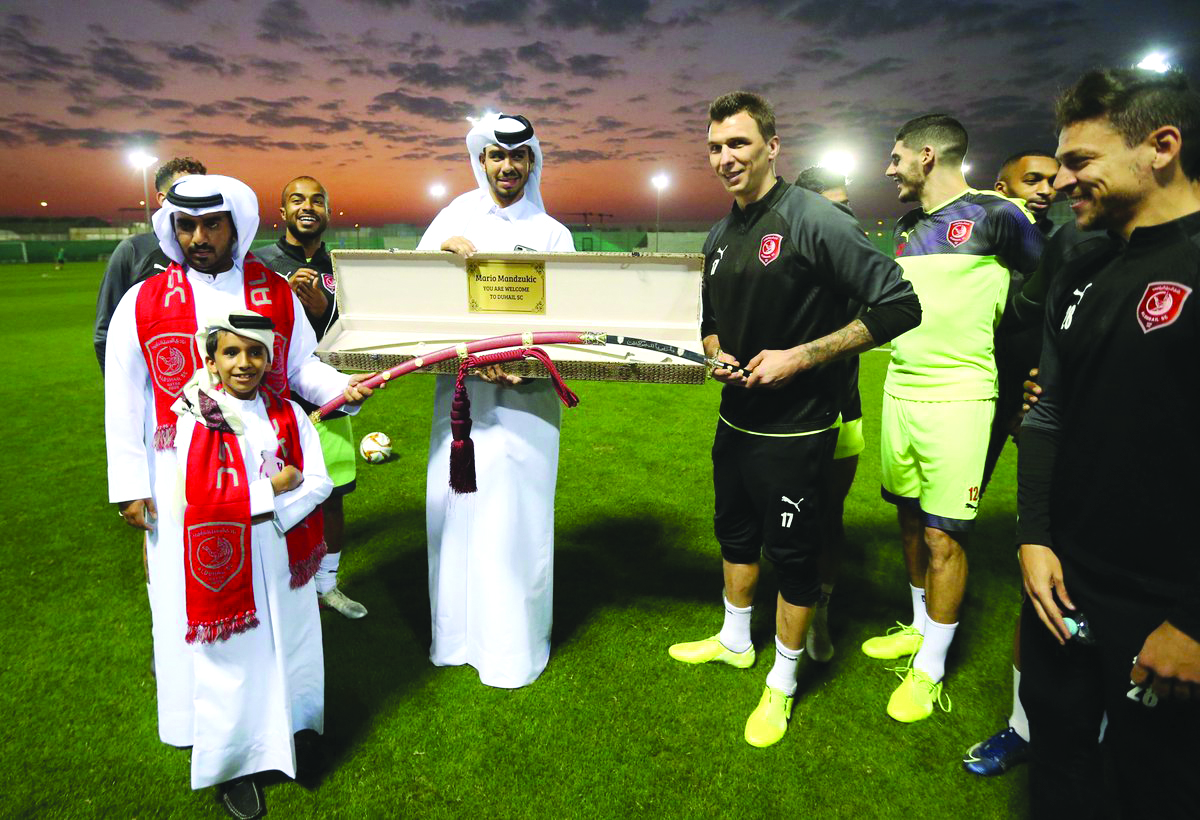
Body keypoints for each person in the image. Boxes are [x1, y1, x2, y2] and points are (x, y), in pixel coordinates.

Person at [104, 174, 374, 809]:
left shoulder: (272, 290)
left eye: (212, 224)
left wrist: (341, 390)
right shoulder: (143, 300)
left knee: (283, 606)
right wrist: (130, 484)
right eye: (186, 225)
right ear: (172, 227)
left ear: (237, 225)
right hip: (184, 488)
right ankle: (224, 748)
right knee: (204, 618)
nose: (198, 237)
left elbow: (301, 366)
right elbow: (124, 396)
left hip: (274, 476)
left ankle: (289, 727)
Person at [669, 92, 921, 748]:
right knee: (734, 534)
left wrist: (801, 357)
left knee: (794, 556)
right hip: (735, 421)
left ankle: (782, 682)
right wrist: (715, 352)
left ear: (772, 147)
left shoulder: (814, 220)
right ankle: (735, 641)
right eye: (715, 147)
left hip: (799, 428)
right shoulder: (719, 235)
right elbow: (710, 322)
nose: (725, 158)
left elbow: (900, 304)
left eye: (739, 144)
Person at [1017, 67, 1200, 818]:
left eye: (1080, 161)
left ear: (1162, 147)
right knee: (1058, 764)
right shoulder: (1081, 261)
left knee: (1158, 785)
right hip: (1064, 579)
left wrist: (1192, 621)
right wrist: (1034, 537)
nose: (1060, 181)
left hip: (1164, 603)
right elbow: (1048, 412)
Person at [864, 114, 1043, 723]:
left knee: (944, 535)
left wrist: (1034, 371)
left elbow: (1048, 291)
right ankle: (919, 628)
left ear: (927, 156)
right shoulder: (907, 226)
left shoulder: (999, 215)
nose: (889, 169)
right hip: (900, 389)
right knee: (909, 518)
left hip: (961, 395)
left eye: (896, 158)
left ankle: (931, 669)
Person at [416, 113, 575, 689]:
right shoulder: (453, 216)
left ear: (532, 162)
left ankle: (512, 650)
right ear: (481, 159)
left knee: (516, 521)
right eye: (496, 155)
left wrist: (522, 363)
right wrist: (439, 252)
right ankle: (456, 640)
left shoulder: (553, 233)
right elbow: (415, 294)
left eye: (518, 156)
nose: (507, 166)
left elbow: (569, 320)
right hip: (461, 403)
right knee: (457, 515)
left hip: (525, 404)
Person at [173, 310, 331, 817]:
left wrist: (278, 510)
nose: (244, 363)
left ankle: (295, 736)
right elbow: (198, 500)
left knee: (294, 647)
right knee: (235, 663)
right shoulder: (195, 417)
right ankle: (234, 767)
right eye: (231, 352)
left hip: (283, 550)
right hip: (227, 560)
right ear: (212, 361)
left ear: (269, 358)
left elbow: (319, 480)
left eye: (256, 352)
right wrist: (272, 490)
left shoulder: (289, 413)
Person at [256, 176, 367, 619]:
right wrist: (284, 297)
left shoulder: (339, 268)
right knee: (273, 493)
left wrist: (321, 311)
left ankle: (327, 586)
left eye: (317, 200)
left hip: (327, 401)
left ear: (328, 211)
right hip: (270, 406)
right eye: (297, 199)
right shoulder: (259, 264)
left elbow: (349, 333)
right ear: (282, 211)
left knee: (333, 494)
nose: (308, 206)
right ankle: (278, 588)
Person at [793, 165, 867, 662]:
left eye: (847, 207)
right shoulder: (777, 255)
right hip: (779, 413)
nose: (845, 218)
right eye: (831, 208)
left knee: (828, 515)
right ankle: (776, 603)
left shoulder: (852, 259)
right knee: (777, 513)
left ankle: (819, 610)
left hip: (841, 408)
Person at [94, 157, 207, 370]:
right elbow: (105, 331)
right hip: (154, 381)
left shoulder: (216, 251)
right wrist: (122, 386)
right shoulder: (133, 251)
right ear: (162, 199)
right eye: (184, 189)